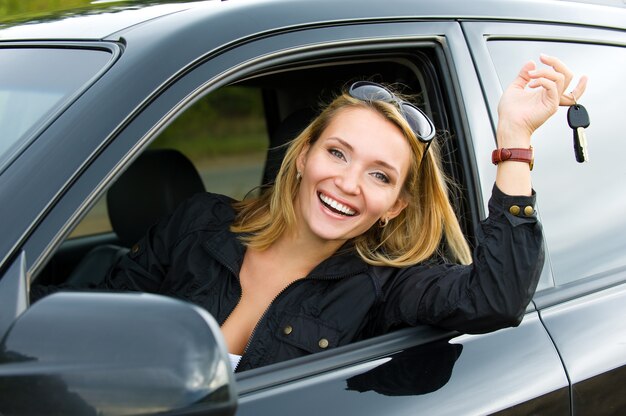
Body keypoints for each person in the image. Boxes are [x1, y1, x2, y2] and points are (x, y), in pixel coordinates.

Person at [32, 55, 586, 372]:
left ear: (396, 206)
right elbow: (94, 324)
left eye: (380, 174)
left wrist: (513, 139)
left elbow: (497, 296)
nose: (346, 183)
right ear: (302, 156)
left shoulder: (385, 288)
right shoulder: (198, 225)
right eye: (337, 153)